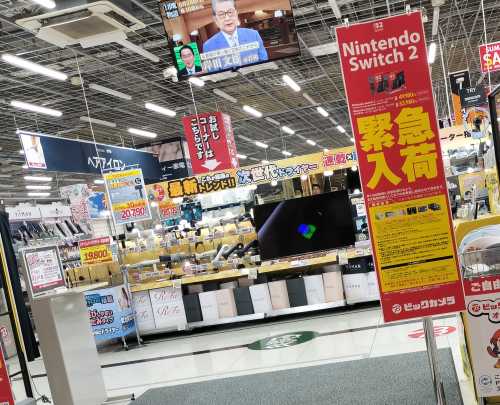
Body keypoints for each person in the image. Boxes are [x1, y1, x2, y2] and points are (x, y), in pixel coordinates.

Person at [203, 0, 268, 70]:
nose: (227, 18)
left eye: (230, 12)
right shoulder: (208, 46)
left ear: (236, 13)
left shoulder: (254, 35)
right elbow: (214, 74)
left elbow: (264, 64)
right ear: (215, 19)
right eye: (221, 14)